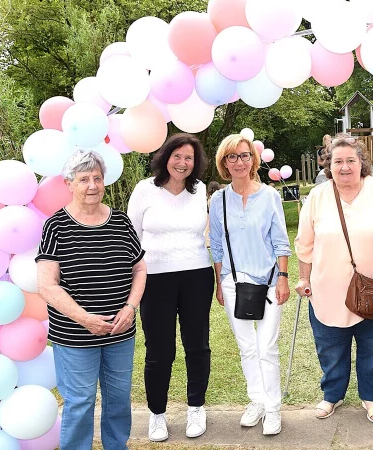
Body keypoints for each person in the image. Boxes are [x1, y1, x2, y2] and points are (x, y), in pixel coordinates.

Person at [36, 150, 147, 450]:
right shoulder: (56, 226)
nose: (92, 185)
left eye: (97, 178)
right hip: (74, 334)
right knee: (80, 402)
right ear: (68, 184)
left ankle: (116, 446)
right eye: (84, 179)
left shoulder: (121, 222)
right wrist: (85, 318)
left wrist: (130, 307)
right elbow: (47, 285)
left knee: (118, 399)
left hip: (120, 330)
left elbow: (140, 268)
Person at [294, 135, 373, 425]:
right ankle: (332, 395)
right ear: (329, 165)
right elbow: (305, 243)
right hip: (328, 290)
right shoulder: (318, 196)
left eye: (351, 160)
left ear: (362, 162)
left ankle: (372, 397)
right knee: (330, 347)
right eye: (338, 161)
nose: (345, 167)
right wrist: (304, 279)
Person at [127, 134, 215, 442]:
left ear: (196, 162)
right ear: (165, 157)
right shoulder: (144, 190)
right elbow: (132, 236)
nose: (182, 163)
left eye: (189, 158)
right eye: (177, 156)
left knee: (197, 345)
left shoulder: (200, 189)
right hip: (156, 279)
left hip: (196, 276)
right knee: (159, 350)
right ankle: (157, 414)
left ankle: (196, 407)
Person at [209, 134, 291, 436]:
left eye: (244, 156)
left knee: (266, 346)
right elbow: (215, 244)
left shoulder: (269, 195)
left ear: (253, 160)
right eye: (232, 157)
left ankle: (273, 408)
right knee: (246, 347)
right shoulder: (218, 200)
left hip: (268, 281)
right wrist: (220, 281)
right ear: (224, 163)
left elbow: (281, 241)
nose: (239, 162)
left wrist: (283, 277)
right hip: (233, 282)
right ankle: (256, 400)